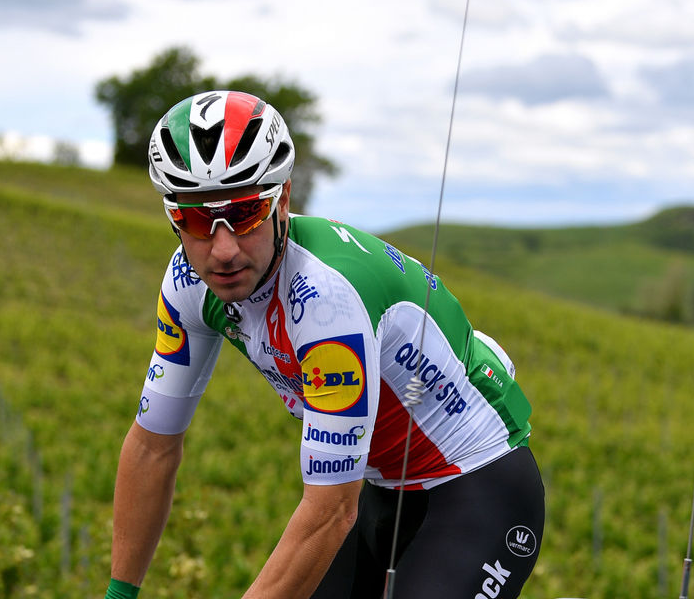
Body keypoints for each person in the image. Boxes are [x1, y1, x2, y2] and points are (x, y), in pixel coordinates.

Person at [105, 90, 545, 599]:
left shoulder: (325, 300)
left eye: (245, 214)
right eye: (197, 221)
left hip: (478, 485)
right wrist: (119, 594)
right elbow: (152, 446)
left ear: (282, 200)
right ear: (173, 219)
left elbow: (330, 509)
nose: (222, 250)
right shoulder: (188, 282)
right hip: (382, 489)